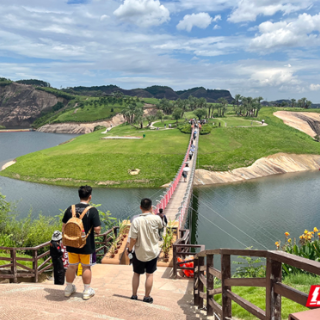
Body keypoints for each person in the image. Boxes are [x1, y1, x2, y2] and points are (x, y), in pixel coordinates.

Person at [62, 185, 101, 300]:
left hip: (71, 243)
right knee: (86, 267)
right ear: (90, 196)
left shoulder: (70, 208)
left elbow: (64, 226)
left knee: (71, 266)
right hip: (86, 244)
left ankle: (68, 288)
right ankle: (86, 290)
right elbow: (97, 229)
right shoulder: (92, 210)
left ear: (79, 195)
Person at [126, 198, 166, 303]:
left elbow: (133, 239)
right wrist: (153, 213)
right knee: (149, 274)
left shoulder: (136, 220)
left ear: (140, 207)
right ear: (151, 207)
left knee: (136, 274)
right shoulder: (156, 219)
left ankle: (134, 295)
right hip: (152, 251)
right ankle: (147, 297)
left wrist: (129, 249)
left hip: (139, 252)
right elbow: (161, 226)